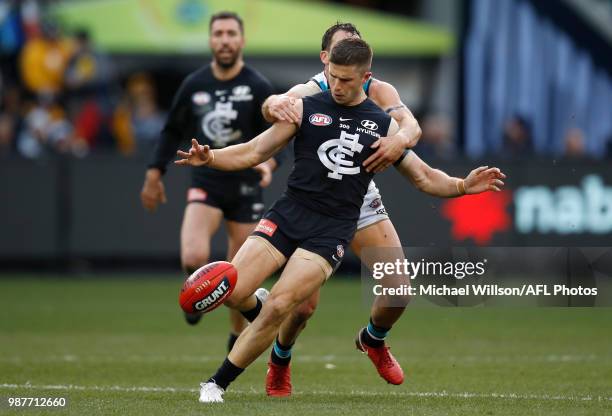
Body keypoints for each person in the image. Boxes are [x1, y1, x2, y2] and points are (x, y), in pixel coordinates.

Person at [175, 37, 506, 403]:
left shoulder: (383, 125)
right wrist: (211, 158)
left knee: (281, 307)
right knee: (234, 292)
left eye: (346, 80)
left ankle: (215, 383)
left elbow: (424, 176)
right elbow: (256, 150)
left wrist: (461, 184)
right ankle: (263, 317)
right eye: (332, 76)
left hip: (331, 229)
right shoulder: (306, 107)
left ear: (366, 77)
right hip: (287, 214)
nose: (336, 85)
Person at [259, 22, 421, 395]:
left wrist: (400, 144)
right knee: (301, 309)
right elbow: (275, 108)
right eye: (340, 51)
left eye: (355, 49)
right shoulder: (310, 90)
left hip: (359, 201)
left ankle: (373, 340)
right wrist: (271, 105)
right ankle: (280, 360)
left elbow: (410, 125)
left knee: (398, 290)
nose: (348, 59)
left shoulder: (378, 89)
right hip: (314, 203)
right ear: (325, 58)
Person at [139, 11, 278, 350]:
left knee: (238, 277)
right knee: (192, 256)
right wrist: (154, 173)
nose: (225, 40)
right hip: (207, 179)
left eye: (231, 33)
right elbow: (171, 130)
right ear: (210, 40)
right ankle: (194, 299)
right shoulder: (195, 84)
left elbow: (277, 136)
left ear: (242, 40)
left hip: (245, 185)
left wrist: (269, 164)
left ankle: (234, 338)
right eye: (218, 34)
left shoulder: (258, 86)